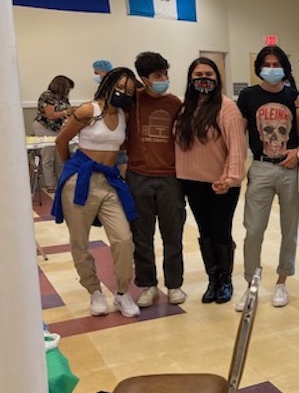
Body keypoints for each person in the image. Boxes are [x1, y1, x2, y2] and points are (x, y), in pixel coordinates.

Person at [51, 67, 139, 318]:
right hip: (81, 179)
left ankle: (122, 292)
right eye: (120, 87)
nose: (123, 93)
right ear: (108, 84)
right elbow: (61, 140)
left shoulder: (124, 115)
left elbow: (120, 147)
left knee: (123, 238)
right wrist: (72, 169)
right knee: (80, 241)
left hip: (109, 181)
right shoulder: (89, 110)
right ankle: (94, 291)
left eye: (129, 91)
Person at [174, 57, 246, 305]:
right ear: (190, 79)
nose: (203, 79)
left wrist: (229, 178)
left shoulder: (227, 108)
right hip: (192, 183)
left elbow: (237, 148)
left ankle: (225, 280)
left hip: (221, 184)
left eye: (208, 74)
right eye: (198, 74)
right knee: (205, 232)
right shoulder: (185, 108)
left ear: (217, 78)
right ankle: (212, 279)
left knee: (220, 231)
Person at [236, 46, 299, 311]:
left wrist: (298, 151)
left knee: (290, 229)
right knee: (253, 230)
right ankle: (251, 285)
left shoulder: (296, 97)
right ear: (259, 67)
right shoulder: (248, 96)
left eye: (277, 64)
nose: (272, 68)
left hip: (289, 167)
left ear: (285, 67)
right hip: (261, 167)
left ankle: (282, 281)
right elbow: (239, 133)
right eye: (267, 64)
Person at [128, 52, 187, 308]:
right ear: (144, 79)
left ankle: (174, 285)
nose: (163, 79)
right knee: (141, 236)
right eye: (157, 76)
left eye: (165, 74)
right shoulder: (131, 102)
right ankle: (147, 285)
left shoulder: (175, 103)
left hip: (170, 178)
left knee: (172, 234)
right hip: (138, 176)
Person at [32, 75, 75, 191]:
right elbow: (51, 115)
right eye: (67, 88)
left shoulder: (63, 98)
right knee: (48, 156)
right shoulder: (47, 96)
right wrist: (67, 111)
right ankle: (50, 184)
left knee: (60, 157)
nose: (68, 91)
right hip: (44, 128)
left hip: (58, 129)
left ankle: (62, 182)